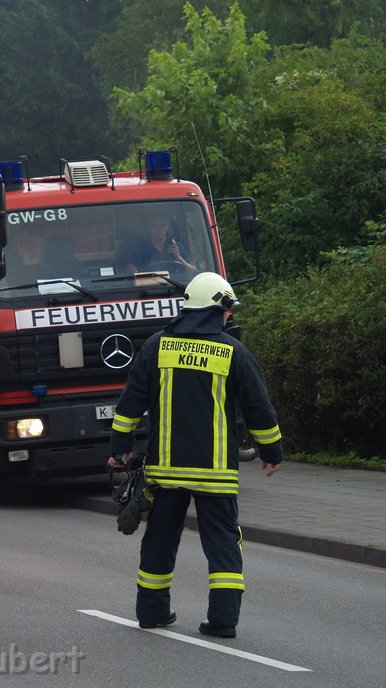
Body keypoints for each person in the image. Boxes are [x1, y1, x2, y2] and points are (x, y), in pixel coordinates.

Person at [107, 272, 282, 639]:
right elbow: (259, 408)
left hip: (166, 472)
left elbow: (129, 405)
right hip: (215, 473)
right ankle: (222, 621)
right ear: (220, 307)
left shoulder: (157, 346)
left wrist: (119, 449)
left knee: (160, 540)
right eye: (228, 309)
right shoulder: (234, 352)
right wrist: (271, 451)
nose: (230, 316)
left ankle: (151, 612)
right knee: (222, 546)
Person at [121, 214, 195, 274]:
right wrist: (134, 271)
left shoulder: (176, 247)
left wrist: (179, 257)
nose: (159, 229)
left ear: (166, 228)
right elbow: (130, 268)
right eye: (154, 226)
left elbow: (192, 271)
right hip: (147, 288)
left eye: (162, 225)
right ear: (148, 229)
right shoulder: (140, 248)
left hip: (175, 287)